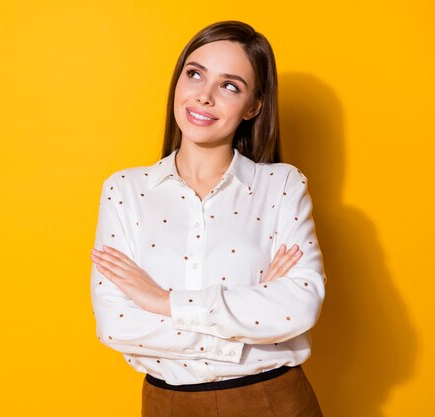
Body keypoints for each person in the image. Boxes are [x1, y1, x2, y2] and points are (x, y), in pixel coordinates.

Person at [89, 20, 326, 417]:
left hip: (273, 401)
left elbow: (299, 307)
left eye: (229, 86)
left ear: (254, 106)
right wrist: (247, 319)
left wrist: (162, 302)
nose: (204, 97)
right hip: (167, 405)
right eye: (195, 74)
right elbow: (116, 323)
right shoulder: (125, 190)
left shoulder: (281, 184)